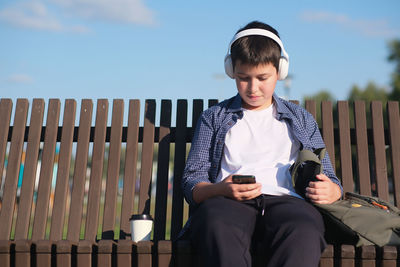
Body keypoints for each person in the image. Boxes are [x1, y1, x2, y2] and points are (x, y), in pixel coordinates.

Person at [180, 21, 343, 267]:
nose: (253, 88)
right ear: (231, 70)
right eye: (243, 78)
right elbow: (191, 182)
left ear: (280, 71)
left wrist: (333, 191)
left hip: (289, 203)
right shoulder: (214, 117)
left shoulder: (300, 119)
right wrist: (220, 189)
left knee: (303, 229)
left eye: (262, 78)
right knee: (216, 224)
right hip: (228, 202)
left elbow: (330, 178)